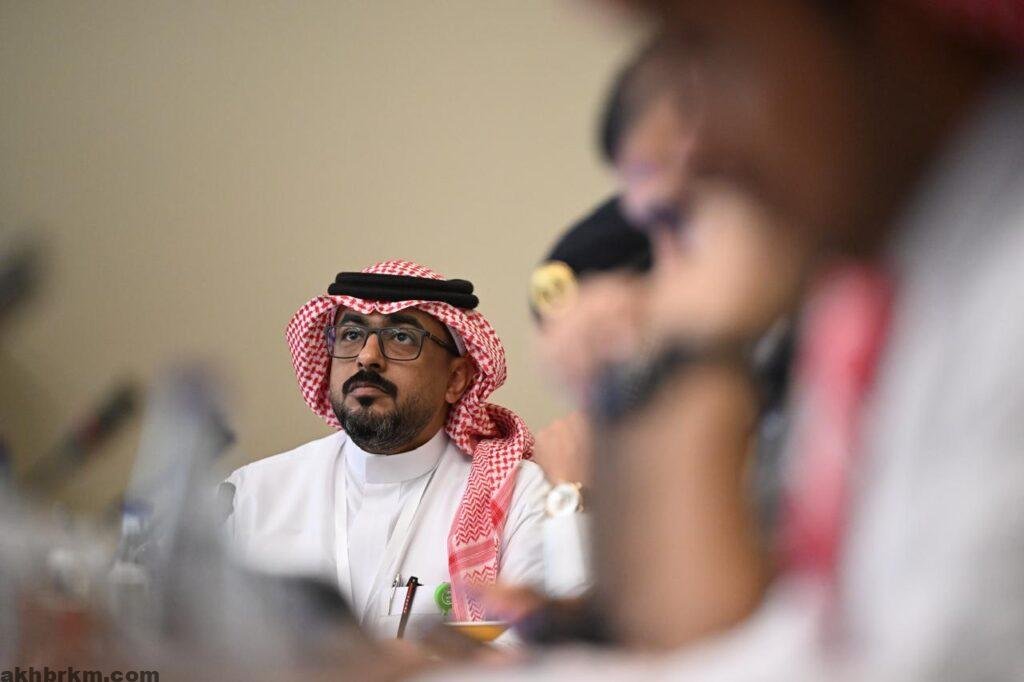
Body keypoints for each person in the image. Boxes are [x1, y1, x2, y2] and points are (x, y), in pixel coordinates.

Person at [428, 0, 1024, 679]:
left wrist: (689, 355)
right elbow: (810, 644)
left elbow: (695, 629)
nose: (706, 136)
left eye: (712, 50)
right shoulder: (894, 293)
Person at [224, 259, 552, 641]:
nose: (367, 357)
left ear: (456, 378)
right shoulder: (252, 495)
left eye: (401, 337)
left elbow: (536, 652)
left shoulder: (518, 496)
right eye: (351, 334)